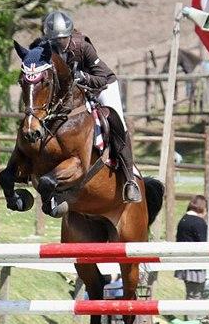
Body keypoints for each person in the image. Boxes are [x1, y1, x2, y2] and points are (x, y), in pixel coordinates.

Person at [40, 10, 141, 203]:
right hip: (75, 91)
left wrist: (82, 77)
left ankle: (129, 180)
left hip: (103, 85)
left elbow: (101, 78)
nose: (58, 44)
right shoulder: (49, 48)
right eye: (54, 40)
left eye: (61, 40)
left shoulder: (83, 46)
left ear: (69, 35)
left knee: (117, 122)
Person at [173, 195, 208, 319]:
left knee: (190, 294)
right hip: (195, 264)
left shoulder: (183, 220)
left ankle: (191, 321)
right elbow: (203, 243)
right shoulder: (199, 222)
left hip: (184, 263)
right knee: (195, 295)